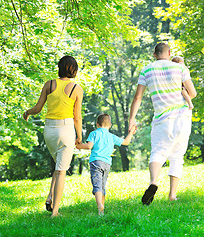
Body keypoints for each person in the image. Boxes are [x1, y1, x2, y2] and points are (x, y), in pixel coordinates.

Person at [129, 43, 196, 205]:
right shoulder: (180, 68)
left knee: (157, 153)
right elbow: (193, 93)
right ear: (169, 53)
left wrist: (132, 119)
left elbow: (138, 97)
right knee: (177, 156)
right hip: (182, 117)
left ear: (154, 54)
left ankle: (153, 182)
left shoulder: (146, 70)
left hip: (161, 118)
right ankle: (172, 195)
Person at [23, 56, 83, 217]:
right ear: (74, 70)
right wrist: (79, 136)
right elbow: (77, 117)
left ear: (60, 68)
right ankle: (55, 212)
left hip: (49, 130)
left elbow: (37, 108)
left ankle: (50, 198)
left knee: (58, 166)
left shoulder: (49, 84)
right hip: (66, 129)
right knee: (62, 170)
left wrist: (27, 112)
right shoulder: (76, 88)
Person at [76, 113, 136, 215]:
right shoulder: (111, 136)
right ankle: (101, 210)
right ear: (110, 125)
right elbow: (125, 142)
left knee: (97, 184)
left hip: (96, 162)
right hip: (107, 164)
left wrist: (79, 146)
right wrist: (131, 133)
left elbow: (89, 146)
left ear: (97, 124)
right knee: (102, 185)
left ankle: (100, 205)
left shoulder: (94, 133)